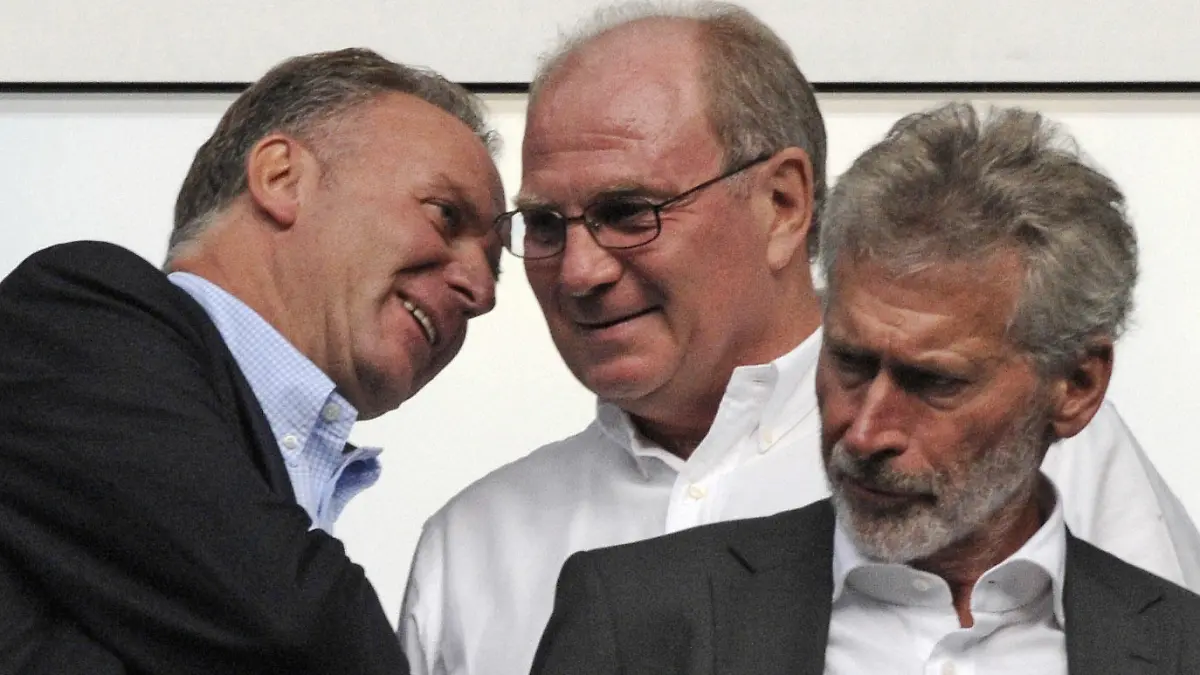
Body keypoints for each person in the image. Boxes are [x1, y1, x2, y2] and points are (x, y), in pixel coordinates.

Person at [398, 4, 1200, 675]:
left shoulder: (1048, 453)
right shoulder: (471, 547)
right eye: (545, 223)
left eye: (628, 212)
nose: (579, 271)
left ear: (783, 203)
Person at [0, 48, 503, 674]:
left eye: (494, 266)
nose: (481, 291)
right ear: (281, 178)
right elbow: (292, 627)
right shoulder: (76, 317)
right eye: (445, 215)